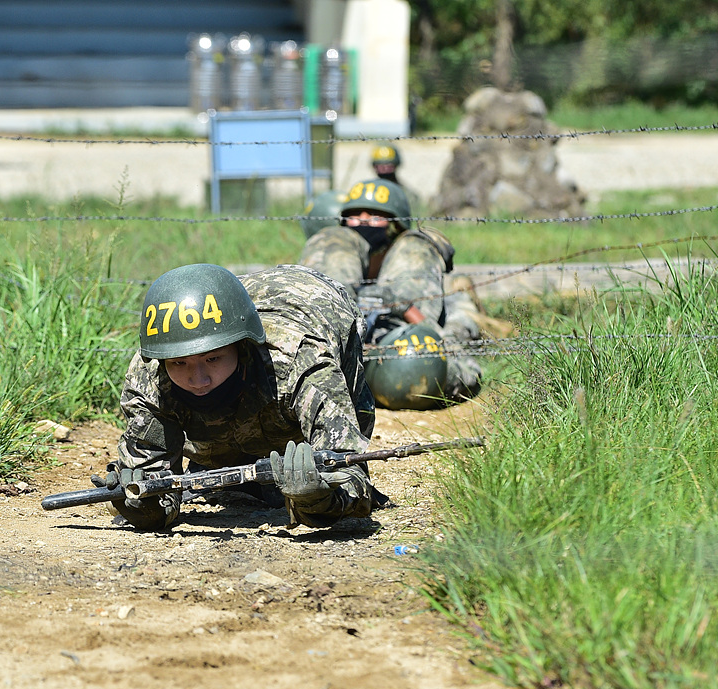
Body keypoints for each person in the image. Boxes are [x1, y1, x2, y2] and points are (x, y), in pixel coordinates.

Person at [94, 263, 384, 532]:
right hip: (231, 315)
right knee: (219, 461)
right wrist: (145, 506)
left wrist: (319, 501)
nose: (198, 379)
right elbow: (156, 481)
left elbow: (352, 479)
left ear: (242, 348)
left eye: (213, 359)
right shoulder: (149, 376)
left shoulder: (302, 362)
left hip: (318, 301)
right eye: (179, 363)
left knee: (318, 460)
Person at [299, 177, 482, 405]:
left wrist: (403, 307)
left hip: (402, 349)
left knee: (414, 367)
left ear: (395, 225)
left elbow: (441, 326)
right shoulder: (339, 248)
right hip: (340, 351)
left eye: (375, 216)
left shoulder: (412, 259)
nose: (364, 221)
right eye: (356, 215)